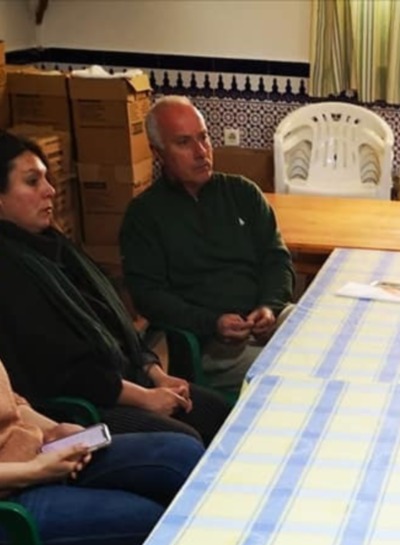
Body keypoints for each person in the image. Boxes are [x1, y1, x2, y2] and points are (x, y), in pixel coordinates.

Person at [0, 132, 229, 446]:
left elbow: (118, 324)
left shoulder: (56, 247)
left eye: (46, 179)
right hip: (89, 406)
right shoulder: (11, 269)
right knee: (184, 444)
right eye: (32, 182)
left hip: (130, 378)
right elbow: (65, 371)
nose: (50, 191)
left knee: (220, 413)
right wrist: (145, 398)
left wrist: (156, 375)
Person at [120, 96, 296, 390]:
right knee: (293, 370)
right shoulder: (144, 216)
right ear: (158, 152)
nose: (201, 152)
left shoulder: (242, 193)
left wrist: (270, 305)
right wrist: (213, 322)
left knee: (325, 336)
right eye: (184, 143)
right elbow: (149, 297)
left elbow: (276, 259)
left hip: (266, 324)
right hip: (212, 346)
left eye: (203, 138)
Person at [0, 356, 203, 545]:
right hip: (12, 490)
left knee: (182, 453)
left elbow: (12, 404)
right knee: (152, 521)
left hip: (35, 454)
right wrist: (35, 470)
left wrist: (54, 431)